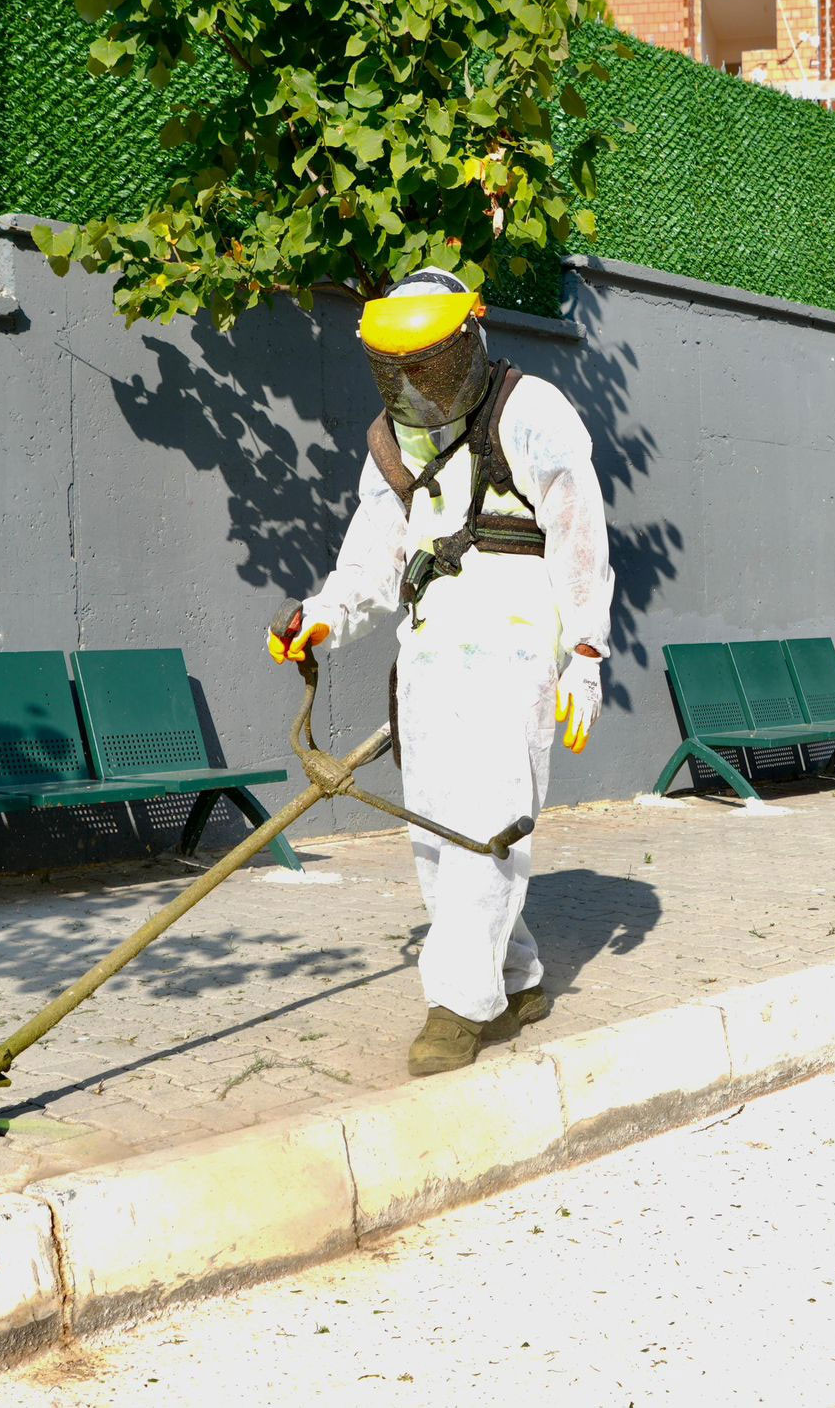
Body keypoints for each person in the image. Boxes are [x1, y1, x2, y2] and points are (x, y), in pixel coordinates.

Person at [268, 268, 614, 1076]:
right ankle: (517, 977)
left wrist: (585, 657)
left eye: (431, 363)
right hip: (428, 661)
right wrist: (324, 617)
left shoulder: (531, 413)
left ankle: (457, 1006)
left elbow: (579, 540)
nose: (417, 383)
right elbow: (374, 557)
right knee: (436, 832)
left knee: (488, 828)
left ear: (471, 339)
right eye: (400, 369)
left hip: (518, 653)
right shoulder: (392, 438)